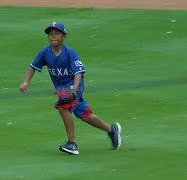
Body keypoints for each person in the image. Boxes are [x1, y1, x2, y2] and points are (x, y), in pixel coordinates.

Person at [19, 22, 121, 155]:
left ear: (64, 37)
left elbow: (79, 72)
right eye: (50, 34)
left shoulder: (70, 52)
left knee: (63, 106)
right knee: (85, 115)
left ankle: (72, 144)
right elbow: (33, 66)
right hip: (63, 88)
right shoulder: (45, 52)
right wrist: (26, 82)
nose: (53, 36)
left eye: (56, 34)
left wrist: (74, 90)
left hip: (75, 84)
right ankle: (112, 130)